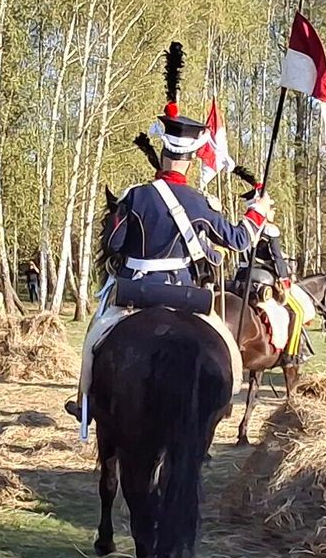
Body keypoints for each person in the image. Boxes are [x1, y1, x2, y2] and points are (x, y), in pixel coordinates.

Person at [67, 41, 273, 421]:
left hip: (133, 293)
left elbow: (113, 244)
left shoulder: (133, 196)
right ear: (194, 157)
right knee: (226, 347)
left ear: (162, 151)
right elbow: (239, 240)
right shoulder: (201, 202)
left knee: (94, 340)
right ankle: (224, 400)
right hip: (186, 296)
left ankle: (85, 400)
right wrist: (256, 213)